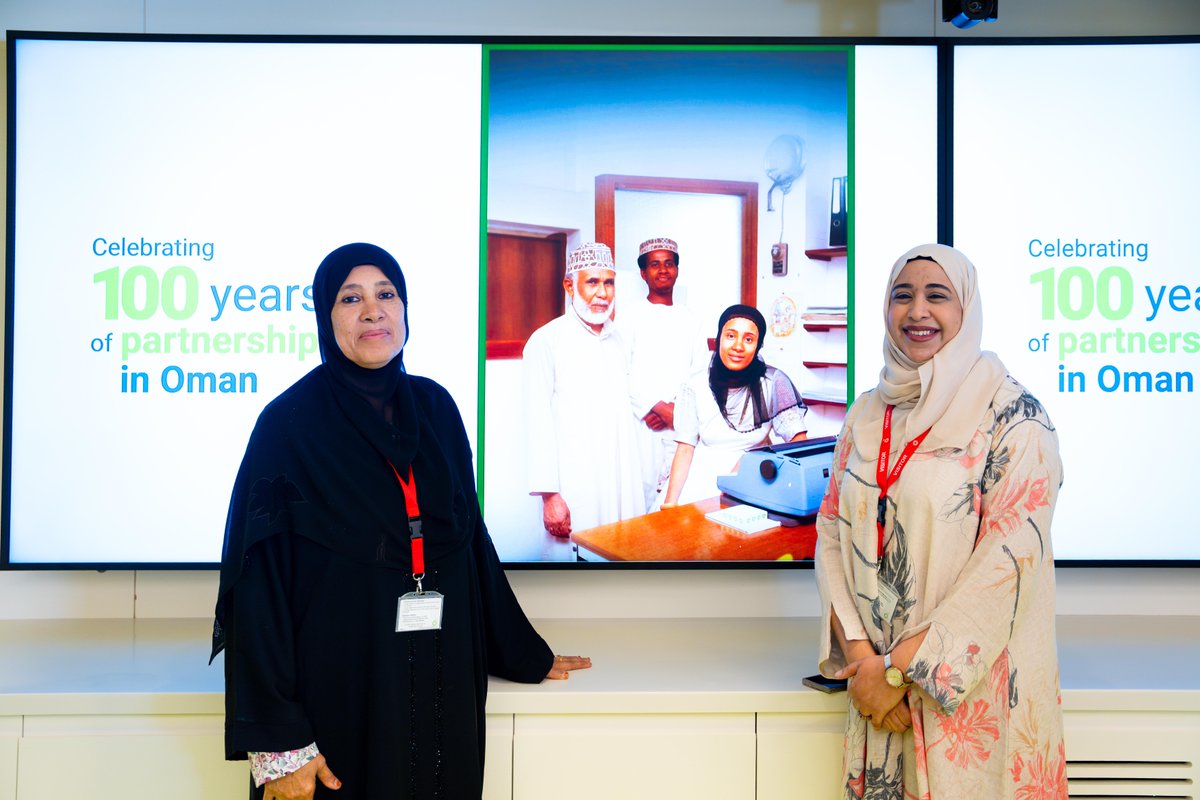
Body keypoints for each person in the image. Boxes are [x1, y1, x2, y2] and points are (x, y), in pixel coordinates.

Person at [212, 243, 590, 800]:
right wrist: (281, 744)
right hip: (341, 687)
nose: (373, 311)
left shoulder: (436, 408)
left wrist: (520, 650)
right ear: (326, 315)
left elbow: (469, 543)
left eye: (387, 294)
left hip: (444, 681)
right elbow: (256, 583)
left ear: (405, 310)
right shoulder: (289, 426)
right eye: (351, 298)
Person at [814, 243, 1067, 799]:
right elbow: (831, 529)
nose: (917, 312)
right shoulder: (866, 412)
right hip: (878, 696)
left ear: (966, 309)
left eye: (937, 296)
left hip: (968, 705)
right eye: (902, 296)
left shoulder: (1015, 418)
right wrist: (861, 659)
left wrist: (901, 672)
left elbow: (1008, 565)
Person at [523, 241, 647, 541]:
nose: (602, 293)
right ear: (569, 285)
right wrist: (550, 496)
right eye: (592, 282)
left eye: (609, 283)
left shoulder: (618, 339)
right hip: (575, 483)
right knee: (577, 565)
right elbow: (537, 421)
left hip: (620, 480)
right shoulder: (546, 341)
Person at [661, 303, 808, 507]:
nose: (738, 346)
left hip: (755, 478)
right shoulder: (694, 384)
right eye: (731, 336)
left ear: (758, 345)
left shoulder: (773, 382)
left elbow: (798, 440)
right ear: (719, 338)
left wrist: (763, 459)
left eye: (748, 339)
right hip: (702, 479)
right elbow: (685, 448)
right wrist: (670, 503)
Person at [619, 237, 709, 507]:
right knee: (638, 497)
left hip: (680, 426)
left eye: (669, 263)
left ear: (677, 270)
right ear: (643, 273)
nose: (663, 270)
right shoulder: (628, 316)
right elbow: (621, 371)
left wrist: (677, 412)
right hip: (642, 423)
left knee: (673, 498)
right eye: (655, 264)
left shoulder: (691, 319)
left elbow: (700, 373)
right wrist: (654, 407)